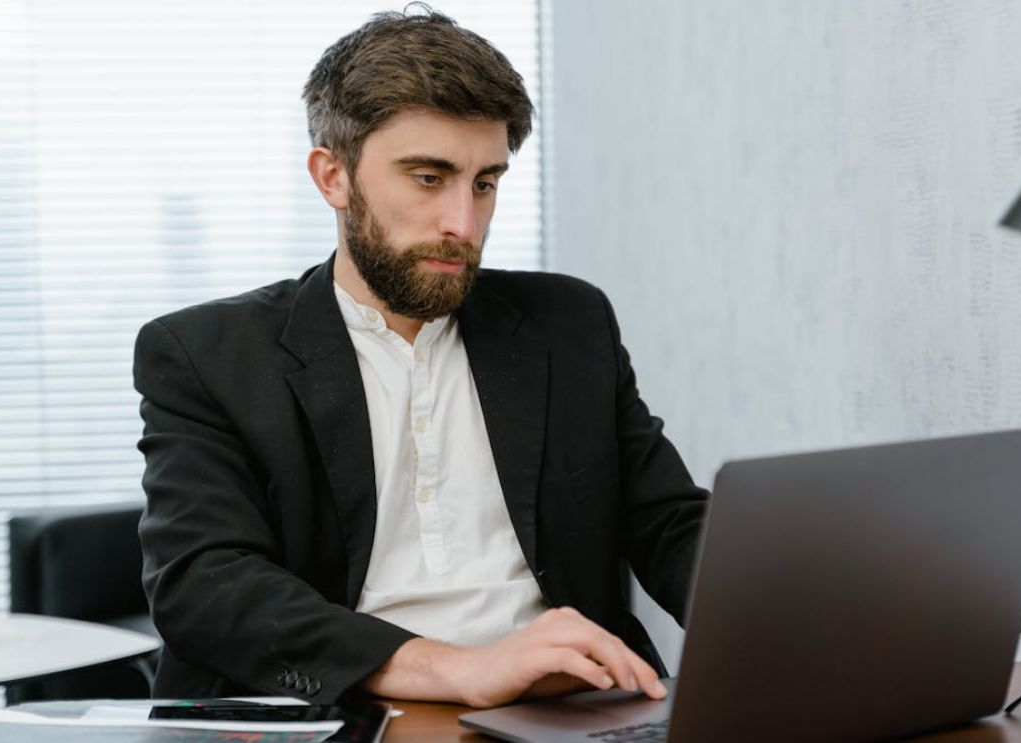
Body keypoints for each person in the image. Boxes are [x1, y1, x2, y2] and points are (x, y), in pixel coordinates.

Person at [133, 7, 707, 709]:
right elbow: (206, 585)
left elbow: (670, 524)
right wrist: (456, 669)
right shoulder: (206, 355)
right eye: (428, 178)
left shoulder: (569, 323)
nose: (462, 224)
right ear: (332, 177)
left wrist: (790, 614)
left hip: (564, 711)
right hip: (349, 710)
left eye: (485, 182)